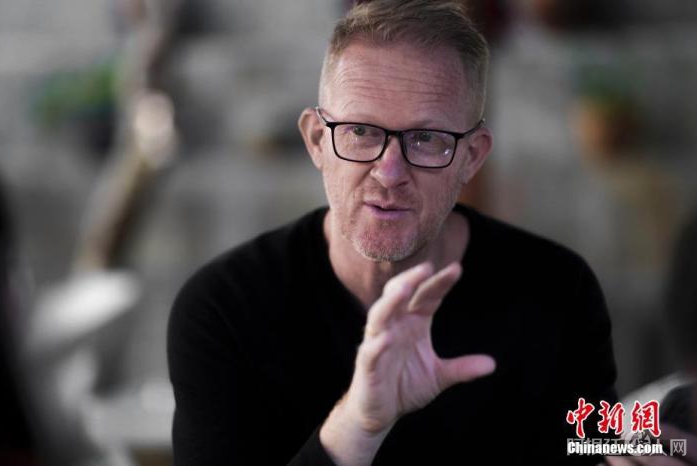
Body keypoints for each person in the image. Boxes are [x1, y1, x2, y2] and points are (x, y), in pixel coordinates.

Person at [167, 1, 618, 464]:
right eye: (361, 131)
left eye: (426, 138)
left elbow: (600, 447)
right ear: (317, 140)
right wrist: (359, 424)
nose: (389, 172)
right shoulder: (224, 309)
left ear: (472, 157)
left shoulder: (558, 291)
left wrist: (646, 447)